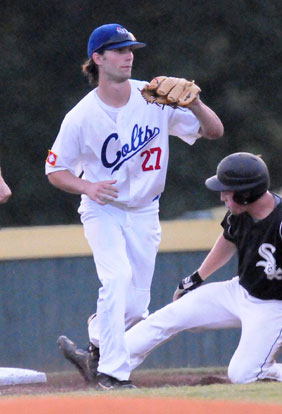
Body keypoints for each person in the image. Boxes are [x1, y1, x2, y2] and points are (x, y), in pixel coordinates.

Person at [46, 23, 223, 390]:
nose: (128, 56)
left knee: (134, 308)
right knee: (116, 279)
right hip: (104, 209)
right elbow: (54, 170)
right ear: (97, 58)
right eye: (118, 50)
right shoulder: (81, 116)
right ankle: (112, 374)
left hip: (145, 211)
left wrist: (197, 104)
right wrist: (87, 186)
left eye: (131, 50)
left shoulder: (153, 96)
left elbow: (214, 132)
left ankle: (95, 342)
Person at [59, 152, 282, 385]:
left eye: (228, 190)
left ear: (247, 193)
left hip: (278, 306)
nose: (223, 196)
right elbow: (227, 239)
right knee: (167, 318)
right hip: (239, 291)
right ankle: (105, 364)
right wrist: (198, 277)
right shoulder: (240, 212)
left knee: (242, 375)